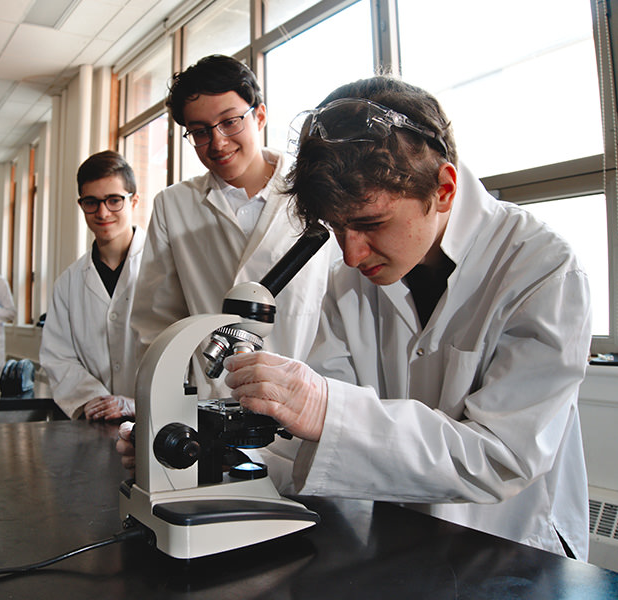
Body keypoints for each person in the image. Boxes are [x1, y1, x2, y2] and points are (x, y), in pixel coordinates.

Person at [220, 76, 592, 560]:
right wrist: (217, 462)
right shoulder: (351, 279)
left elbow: (502, 457)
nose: (351, 255)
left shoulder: (542, 267)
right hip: (404, 536)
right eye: (337, 227)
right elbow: (314, 436)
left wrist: (326, 408)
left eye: (371, 224)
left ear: (443, 188)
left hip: (515, 542)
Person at [130, 55, 336, 402]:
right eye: (199, 132)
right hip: (216, 401)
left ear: (260, 115)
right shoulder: (174, 206)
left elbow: (340, 304)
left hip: (308, 396)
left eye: (230, 122)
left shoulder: (317, 190)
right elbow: (157, 324)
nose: (218, 142)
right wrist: (168, 404)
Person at [40, 150, 145, 421]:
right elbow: (59, 356)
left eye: (114, 200)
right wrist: (97, 401)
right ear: (81, 205)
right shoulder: (68, 282)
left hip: (158, 420)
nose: (102, 212)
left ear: (134, 201)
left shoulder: (165, 267)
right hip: (96, 423)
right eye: (91, 202)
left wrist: (138, 403)